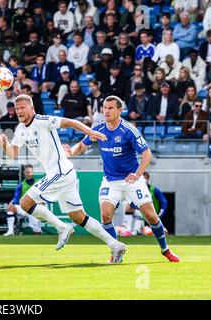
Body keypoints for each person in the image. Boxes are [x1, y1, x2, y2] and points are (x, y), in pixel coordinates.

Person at [0, 94, 126, 262]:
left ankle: (61, 227)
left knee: (25, 203)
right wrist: (4, 144)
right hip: (64, 173)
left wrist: (89, 131)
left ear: (31, 108)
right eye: (17, 108)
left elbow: (70, 122)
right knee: (79, 217)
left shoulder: (42, 120)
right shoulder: (21, 129)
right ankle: (116, 245)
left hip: (60, 172)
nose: (20, 111)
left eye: (23, 107)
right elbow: (12, 154)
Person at [68, 95, 179, 262]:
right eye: (105, 108)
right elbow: (82, 145)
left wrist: (138, 174)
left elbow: (147, 154)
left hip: (132, 180)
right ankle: (115, 252)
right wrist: (70, 152)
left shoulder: (129, 130)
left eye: (111, 108)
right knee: (105, 215)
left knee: (151, 216)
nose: (106, 111)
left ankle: (165, 249)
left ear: (120, 110)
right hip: (110, 181)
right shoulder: (98, 129)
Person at [3, 164, 42, 236]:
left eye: (30, 172)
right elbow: (16, 196)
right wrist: (12, 203)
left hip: (34, 209)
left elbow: (42, 196)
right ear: (24, 173)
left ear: (33, 172)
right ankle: (10, 231)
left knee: (37, 233)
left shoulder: (38, 183)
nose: (29, 174)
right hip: (23, 208)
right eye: (27, 172)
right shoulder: (21, 184)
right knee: (11, 208)